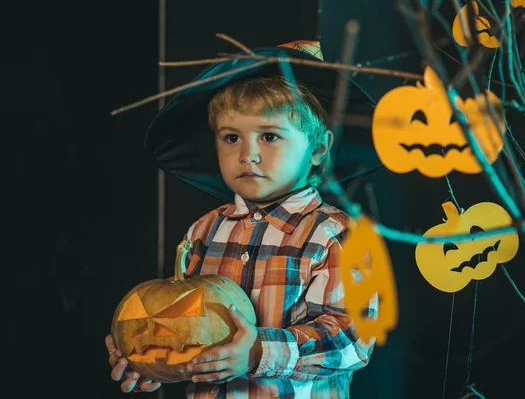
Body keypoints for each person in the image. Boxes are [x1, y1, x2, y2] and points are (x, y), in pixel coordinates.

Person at [106, 40, 383, 398]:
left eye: (269, 136)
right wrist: (153, 361)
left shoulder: (335, 234)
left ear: (317, 150)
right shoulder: (204, 230)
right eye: (232, 137)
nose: (247, 155)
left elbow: (351, 338)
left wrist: (258, 352)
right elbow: (188, 329)